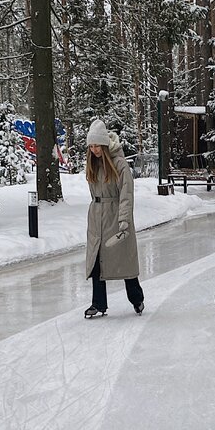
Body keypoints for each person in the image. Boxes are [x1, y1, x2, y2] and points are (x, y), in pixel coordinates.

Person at [84, 119, 145, 318]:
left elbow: (126, 193)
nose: (94, 149)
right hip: (97, 217)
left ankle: (137, 299)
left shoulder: (119, 164)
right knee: (96, 261)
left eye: (96, 145)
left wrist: (124, 219)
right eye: (91, 146)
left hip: (115, 215)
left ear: (104, 144)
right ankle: (98, 303)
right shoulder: (92, 164)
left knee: (124, 261)